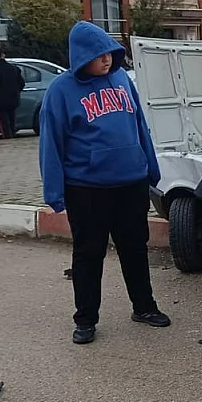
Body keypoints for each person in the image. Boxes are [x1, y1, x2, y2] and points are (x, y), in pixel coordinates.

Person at [39, 20, 170, 345]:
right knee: (88, 254)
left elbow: (139, 124)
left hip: (131, 182)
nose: (107, 59)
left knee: (134, 248)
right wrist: (54, 192)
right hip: (87, 188)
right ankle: (85, 319)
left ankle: (144, 306)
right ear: (82, 56)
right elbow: (51, 142)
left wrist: (151, 168)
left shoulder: (122, 79)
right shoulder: (61, 90)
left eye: (110, 53)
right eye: (99, 56)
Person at [0, 49, 25, 139]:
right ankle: (13, 133)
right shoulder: (14, 68)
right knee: (12, 118)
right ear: (3, 55)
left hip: (0, 99)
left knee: (4, 121)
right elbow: (22, 83)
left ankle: (8, 137)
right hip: (13, 98)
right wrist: (16, 91)